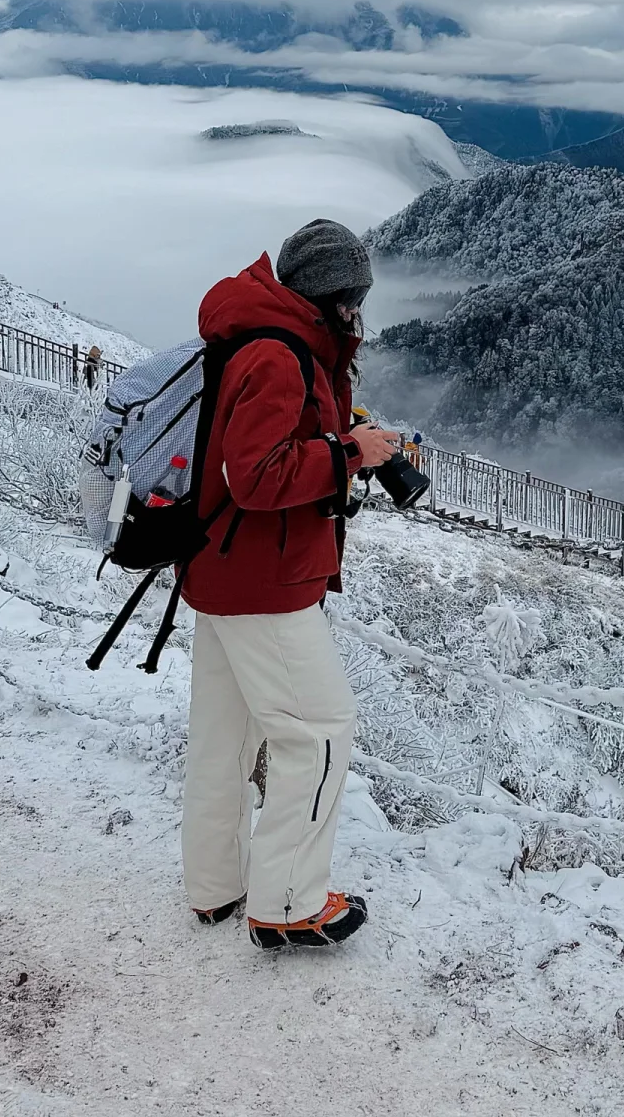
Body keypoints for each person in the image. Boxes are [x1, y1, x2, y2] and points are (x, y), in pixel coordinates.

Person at [180, 219, 399, 951]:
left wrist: (339, 433)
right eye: (356, 298)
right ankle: (288, 902)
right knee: (320, 732)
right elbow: (258, 475)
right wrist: (349, 453)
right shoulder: (279, 357)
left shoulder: (259, 334)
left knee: (225, 738)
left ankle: (215, 886)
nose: (359, 313)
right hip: (263, 579)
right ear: (337, 296)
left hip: (220, 567)